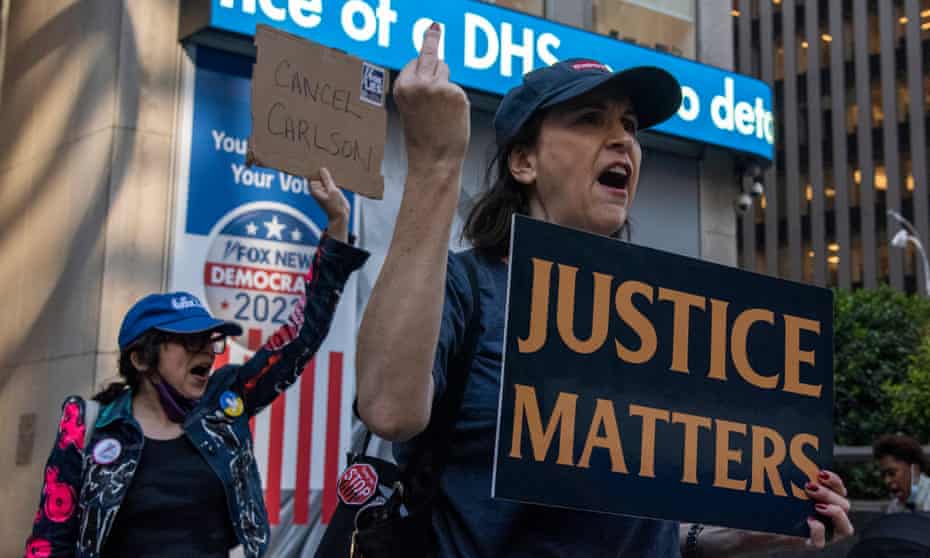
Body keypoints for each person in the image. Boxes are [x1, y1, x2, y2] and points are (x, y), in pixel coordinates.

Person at [355, 24, 853, 557]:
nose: (623, 140)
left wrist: (731, 535)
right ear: (524, 161)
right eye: (590, 120)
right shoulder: (466, 288)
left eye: (630, 125)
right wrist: (434, 167)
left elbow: (636, 524)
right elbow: (387, 408)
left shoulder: (665, 320)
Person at [24, 168, 368, 558]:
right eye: (189, 342)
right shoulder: (89, 425)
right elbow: (49, 541)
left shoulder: (224, 404)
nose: (206, 352)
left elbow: (298, 338)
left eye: (210, 340)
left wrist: (338, 224)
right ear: (140, 358)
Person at [874, 433, 930, 513]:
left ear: (915, 470)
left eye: (892, 473)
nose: (887, 481)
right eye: (883, 475)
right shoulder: (895, 507)